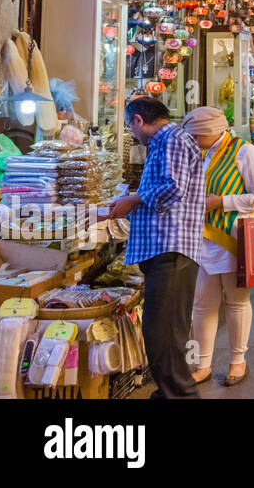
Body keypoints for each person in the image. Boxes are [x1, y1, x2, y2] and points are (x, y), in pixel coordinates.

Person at [105, 96, 206, 399]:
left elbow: (173, 186)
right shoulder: (167, 141)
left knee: (163, 332)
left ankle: (180, 394)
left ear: (138, 120)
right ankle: (169, 392)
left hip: (171, 248)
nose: (131, 134)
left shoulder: (171, 140)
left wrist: (132, 200)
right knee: (165, 330)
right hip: (164, 249)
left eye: (129, 126)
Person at [181, 106, 254, 387]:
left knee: (236, 301)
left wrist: (222, 201)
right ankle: (203, 363)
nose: (193, 142)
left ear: (211, 132)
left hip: (234, 238)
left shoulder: (245, 152)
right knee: (202, 303)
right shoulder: (203, 153)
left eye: (196, 136)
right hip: (204, 238)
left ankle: (237, 361)